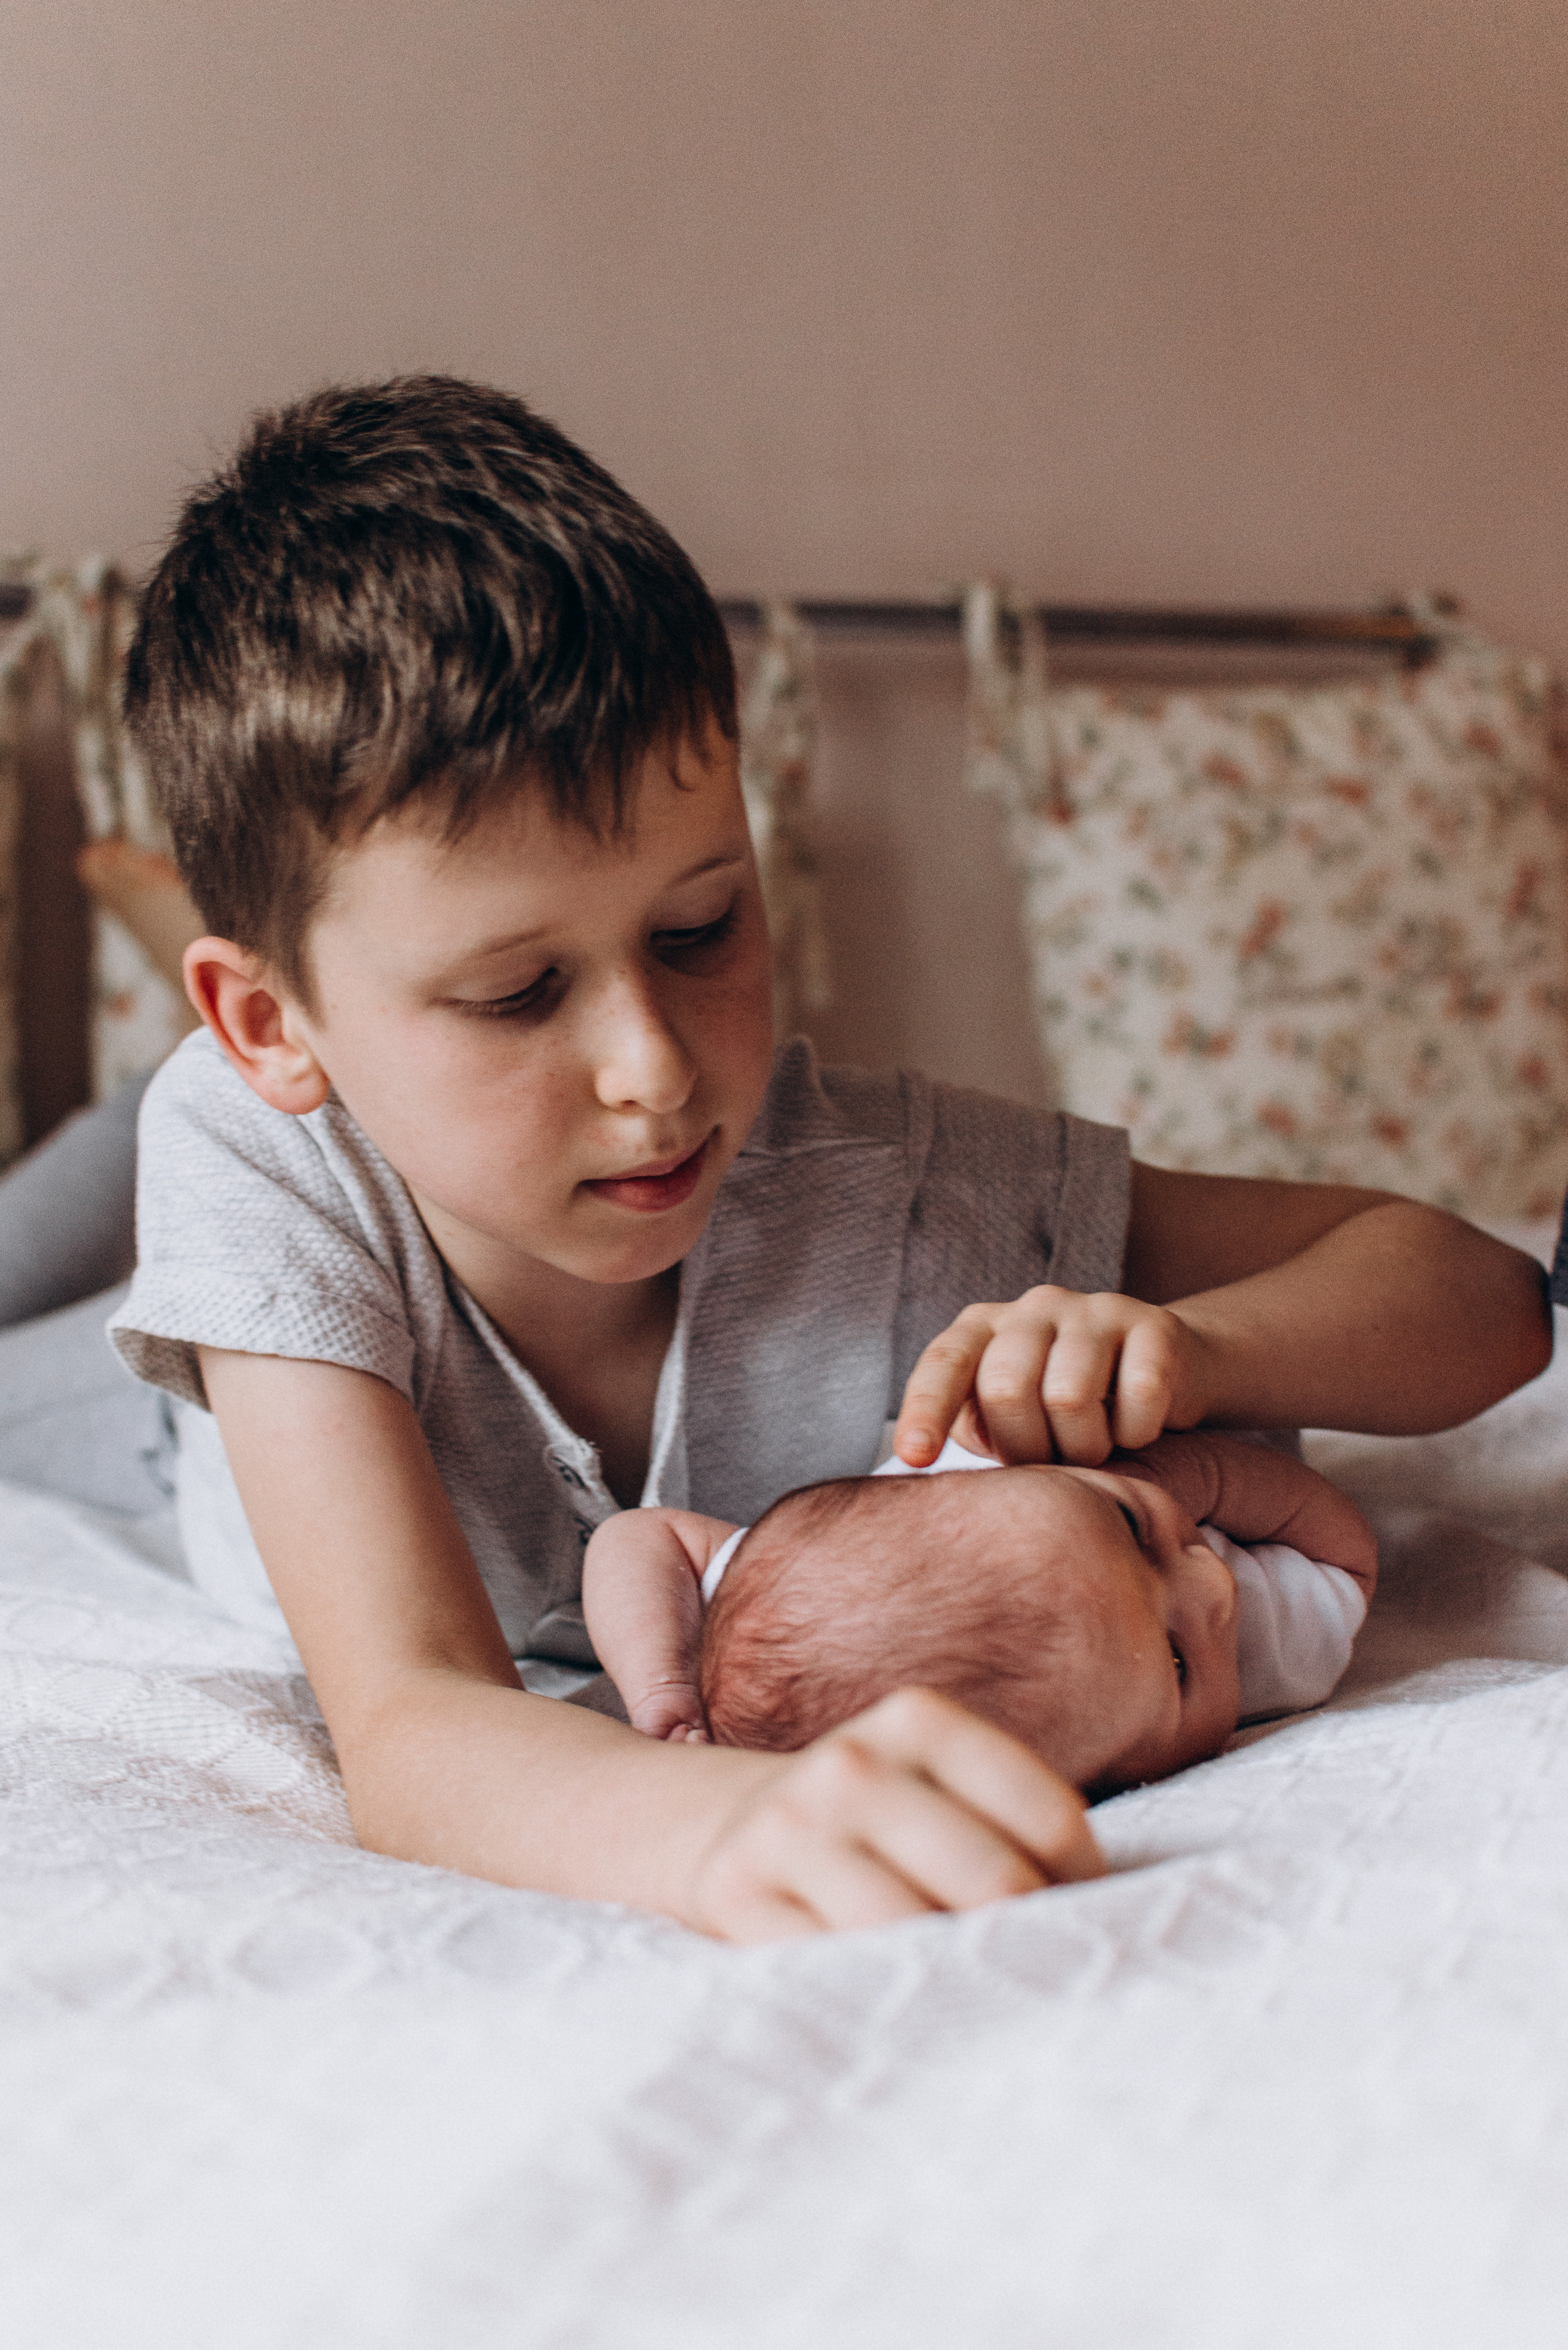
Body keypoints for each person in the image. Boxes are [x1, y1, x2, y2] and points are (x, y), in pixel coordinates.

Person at [93, 374, 1547, 1944]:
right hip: (168, 1403)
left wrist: (1195, 1350)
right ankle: (170, 976)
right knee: (95, 1185)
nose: (653, 1071)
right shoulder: (258, 1163)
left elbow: (1484, 1294)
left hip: (312, 1077)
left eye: (699, 927)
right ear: (267, 1019)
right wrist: (724, 1826)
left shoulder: (911, 1194)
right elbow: (408, 1718)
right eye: (517, 992)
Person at [581, 1431, 1377, 1796]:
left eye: (1131, 1531)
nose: (1214, 1587)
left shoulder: (975, 1459)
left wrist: (659, 1688)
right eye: (1177, 1665)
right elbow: (1347, 1559)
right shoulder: (1268, 1648)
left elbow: (637, 1536)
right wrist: (1208, 1478)